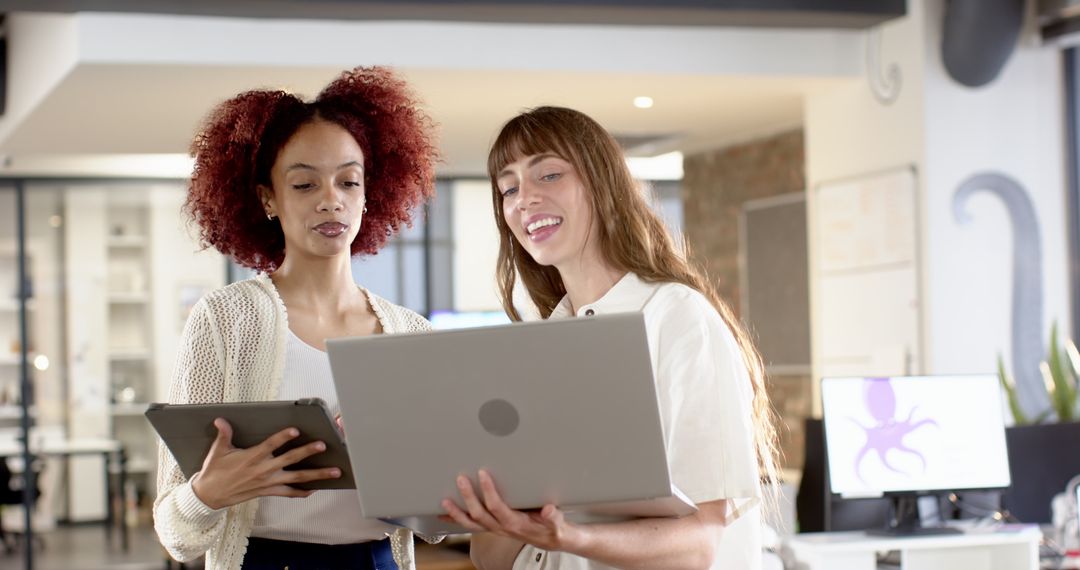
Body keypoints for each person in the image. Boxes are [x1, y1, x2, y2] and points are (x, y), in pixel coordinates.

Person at [441, 106, 781, 570]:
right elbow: (488, 557)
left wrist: (568, 535)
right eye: (509, 188)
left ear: (602, 184)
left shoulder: (676, 318)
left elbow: (700, 545)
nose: (525, 198)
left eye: (549, 174)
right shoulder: (539, 346)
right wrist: (498, 513)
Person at [153, 66, 438, 570]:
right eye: (305, 183)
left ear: (369, 193)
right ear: (268, 199)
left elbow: (436, 521)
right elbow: (177, 535)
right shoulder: (225, 319)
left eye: (348, 180)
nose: (332, 199)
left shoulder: (411, 333)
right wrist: (209, 493)